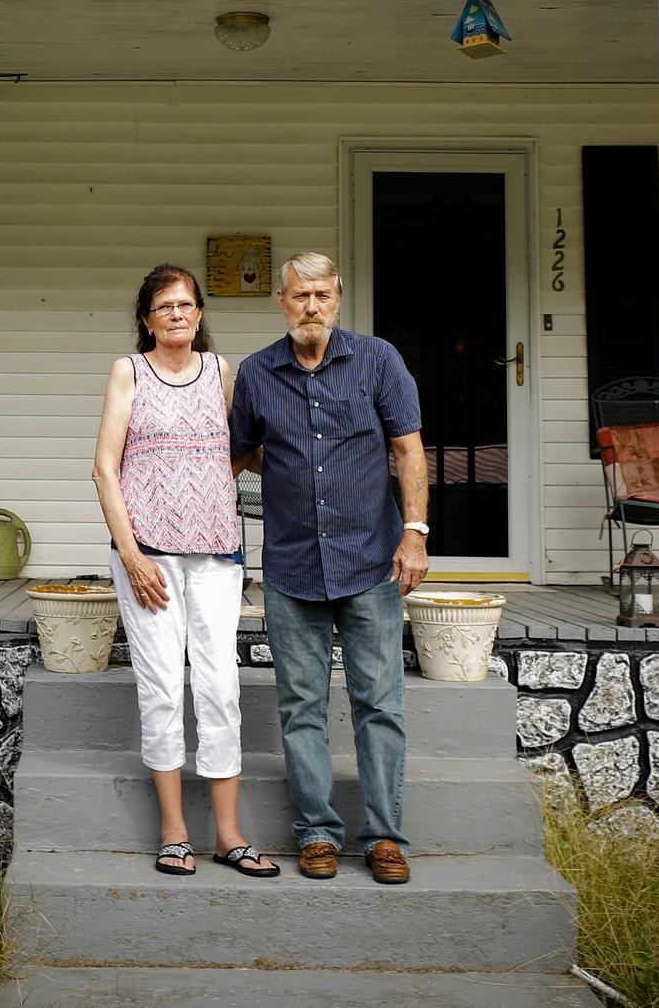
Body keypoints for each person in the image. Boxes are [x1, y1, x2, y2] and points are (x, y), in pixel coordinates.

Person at [229, 252, 428, 884]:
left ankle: (385, 837)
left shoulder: (378, 360)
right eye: (298, 296)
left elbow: (407, 449)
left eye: (321, 294)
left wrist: (415, 534)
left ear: (337, 297)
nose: (310, 306)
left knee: (380, 703)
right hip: (291, 564)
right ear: (281, 302)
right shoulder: (258, 373)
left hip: (370, 557)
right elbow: (236, 456)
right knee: (300, 706)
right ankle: (316, 831)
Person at [92, 263, 279, 880]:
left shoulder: (222, 373)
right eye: (165, 306)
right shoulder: (129, 372)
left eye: (187, 305)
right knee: (163, 685)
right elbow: (105, 469)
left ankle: (228, 834)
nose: (178, 314)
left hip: (216, 554)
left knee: (221, 685)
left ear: (200, 314)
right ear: (146, 317)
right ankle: (175, 832)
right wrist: (131, 552)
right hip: (148, 559)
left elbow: (244, 452)